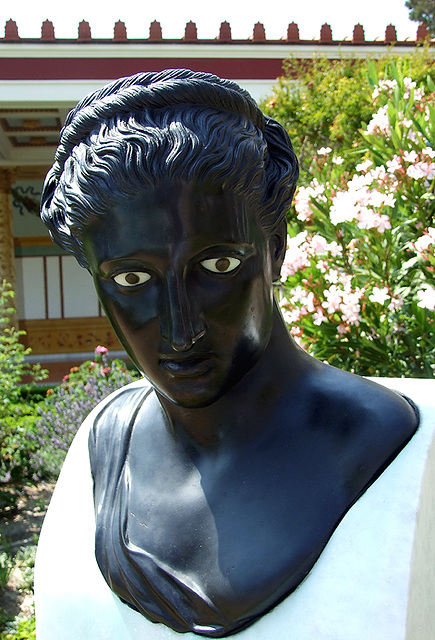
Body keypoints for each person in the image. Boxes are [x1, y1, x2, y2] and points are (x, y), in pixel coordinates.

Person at [38, 69, 419, 638]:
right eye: (133, 278)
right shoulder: (104, 440)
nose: (180, 329)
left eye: (217, 266)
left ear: (276, 248)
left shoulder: (383, 445)